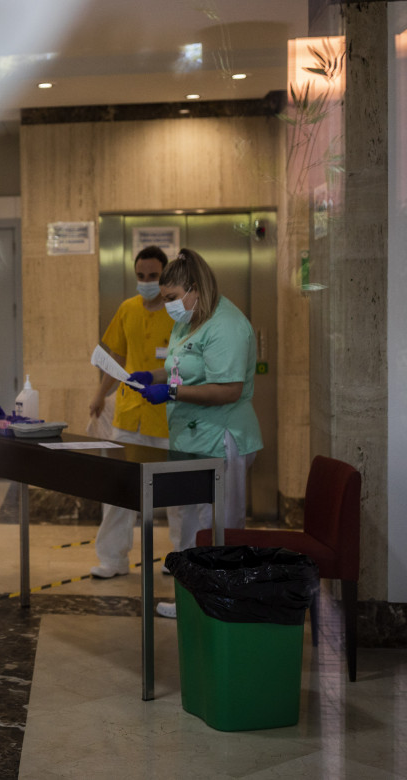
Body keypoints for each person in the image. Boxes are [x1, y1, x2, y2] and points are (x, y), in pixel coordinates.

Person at [130, 247, 263, 618]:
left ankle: (216, 603)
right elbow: (180, 368)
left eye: (172, 298)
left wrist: (171, 392)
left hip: (221, 439)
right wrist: (151, 376)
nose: (168, 305)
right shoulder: (189, 319)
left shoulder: (227, 325)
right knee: (191, 523)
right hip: (191, 440)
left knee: (216, 526)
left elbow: (229, 390)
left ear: (194, 289)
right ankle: (191, 599)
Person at [87, 246, 183, 579]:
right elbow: (115, 359)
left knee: (178, 494)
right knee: (119, 489)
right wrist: (100, 395)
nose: (145, 282)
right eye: (140, 276)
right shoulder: (127, 309)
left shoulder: (179, 313)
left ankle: (180, 558)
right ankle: (112, 559)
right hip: (129, 414)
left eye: (153, 276)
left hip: (168, 416)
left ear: (166, 275)